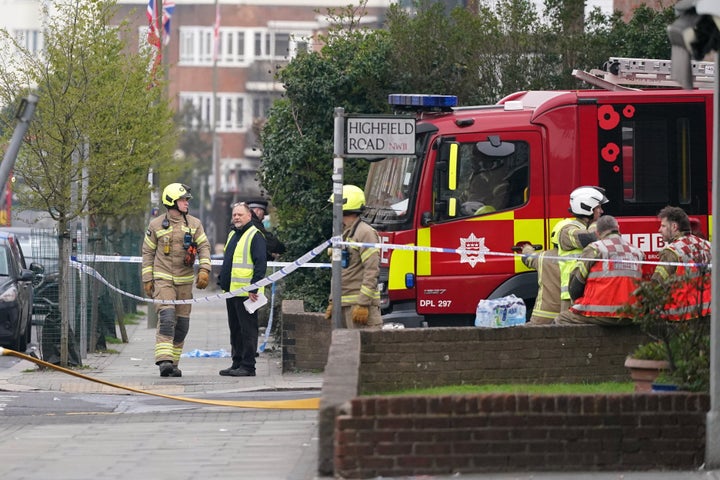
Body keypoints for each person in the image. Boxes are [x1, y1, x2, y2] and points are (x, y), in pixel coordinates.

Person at [142, 183, 212, 377]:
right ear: (171, 201)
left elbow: (204, 247)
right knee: (166, 317)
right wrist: (148, 279)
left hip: (185, 281)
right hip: (163, 279)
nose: (186, 203)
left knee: (182, 325)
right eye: (182, 200)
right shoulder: (155, 225)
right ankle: (164, 360)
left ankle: (173, 363)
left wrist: (204, 270)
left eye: (187, 200)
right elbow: (147, 253)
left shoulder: (195, 224)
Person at [554, 215, 644, 325]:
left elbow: (575, 285)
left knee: (562, 318)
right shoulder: (636, 252)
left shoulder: (595, 249)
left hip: (601, 312)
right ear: (618, 229)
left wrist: (577, 302)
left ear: (597, 233)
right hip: (632, 314)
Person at [218, 202, 267, 377]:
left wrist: (254, 286)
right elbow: (228, 260)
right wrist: (222, 279)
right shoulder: (233, 233)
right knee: (235, 330)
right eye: (234, 214)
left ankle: (248, 366)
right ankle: (237, 362)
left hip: (248, 293)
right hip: (232, 291)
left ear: (249, 216)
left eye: (240, 214)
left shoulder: (255, 235)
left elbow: (261, 263)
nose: (236, 217)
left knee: (248, 330)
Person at [324, 185, 382, 329]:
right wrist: (333, 300)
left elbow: (372, 271)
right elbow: (338, 272)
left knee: (365, 350)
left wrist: (363, 303)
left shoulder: (365, 233)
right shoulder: (343, 233)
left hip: (360, 307)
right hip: (342, 305)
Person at [554, 186, 608, 319]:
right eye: (598, 207)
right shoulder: (567, 230)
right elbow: (592, 238)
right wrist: (598, 223)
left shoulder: (586, 227)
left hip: (588, 292)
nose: (601, 211)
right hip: (571, 296)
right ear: (587, 207)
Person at [652, 206, 711, 320]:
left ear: (674, 227)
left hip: (684, 317)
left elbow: (657, 284)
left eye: (663, 226)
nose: (660, 230)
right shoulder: (708, 246)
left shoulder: (672, 251)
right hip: (710, 314)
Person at [519, 223, 562, 325]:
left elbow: (527, 258)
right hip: (567, 313)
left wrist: (527, 249)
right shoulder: (579, 257)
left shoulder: (543, 257)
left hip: (543, 314)